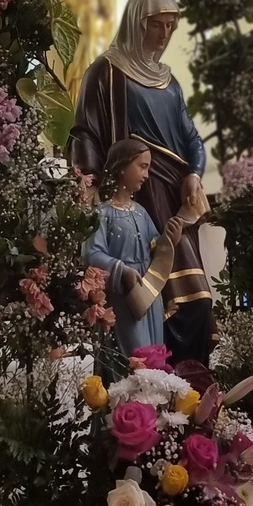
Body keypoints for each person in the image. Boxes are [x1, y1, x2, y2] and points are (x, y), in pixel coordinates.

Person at [70, 0, 213, 366]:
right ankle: (156, 385)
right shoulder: (106, 71)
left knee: (196, 302)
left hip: (173, 197)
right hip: (132, 195)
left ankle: (191, 388)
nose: (164, 35)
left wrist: (194, 173)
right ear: (137, 24)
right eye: (156, 26)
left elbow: (192, 138)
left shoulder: (170, 83)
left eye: (170, 27)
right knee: (148, 301)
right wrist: (87, 184)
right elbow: (86, 132)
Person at [82, 138, 183, 356]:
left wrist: (169, 240)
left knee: (154, 351)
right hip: (123, 297)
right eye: (142, 166)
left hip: (148, 294)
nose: (146, 175)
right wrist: (123, 271)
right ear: (122, 167)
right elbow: (92, 253)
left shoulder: (141, 212)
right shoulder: (102, 214)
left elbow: (154, 247)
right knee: (136, 354)